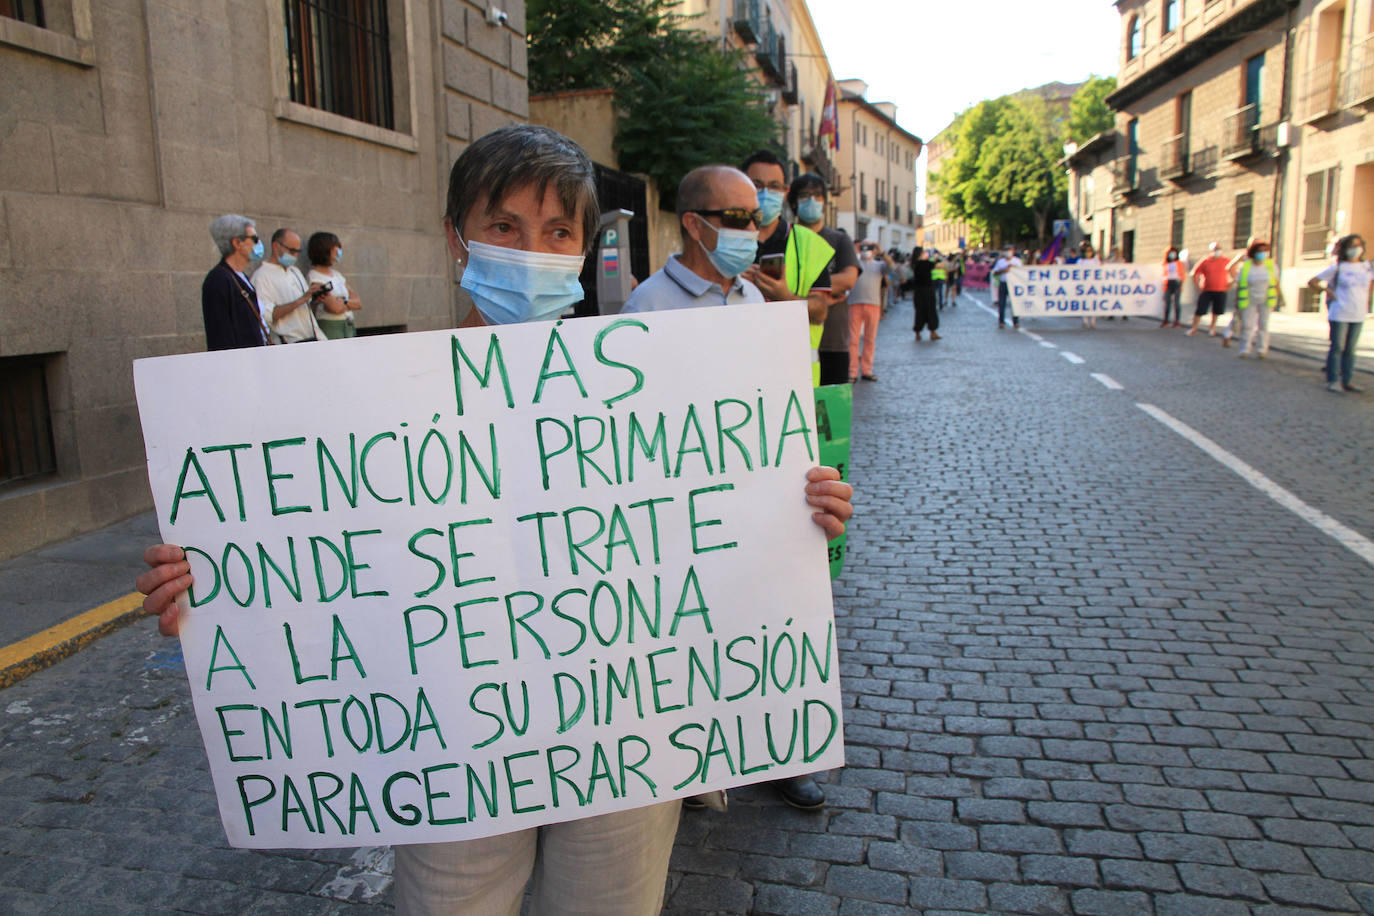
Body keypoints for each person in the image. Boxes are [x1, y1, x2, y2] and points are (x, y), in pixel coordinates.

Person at [136, 126, 855, 916]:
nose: (530, 250)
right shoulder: (356, 406)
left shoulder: (658, 390)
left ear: (583, 249)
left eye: (557, 231)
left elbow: (703, 529)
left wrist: (793, 511)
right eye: (503, 227)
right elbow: (316, 560)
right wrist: (220, 579)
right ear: (457, 238)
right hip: (454, 751)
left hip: (624, 742)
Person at [738, 153, 838, 386]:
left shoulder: (808, 243)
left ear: (785, 191)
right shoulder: (722, 239)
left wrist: (785, 297)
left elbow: (820, 310)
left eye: (774, 186)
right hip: (737, 373)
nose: (765, 193)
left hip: (792, 377)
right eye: (757, 185)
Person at [622, 165, 765, 313]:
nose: (753, 229)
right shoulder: (647, 305)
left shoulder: (753, 297)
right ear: (694, 224)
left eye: (757, 217)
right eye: (737, 217)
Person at [790, 174, 859, 385]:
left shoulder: (839, 240)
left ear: (825, 201)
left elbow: (849, 279)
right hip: (792, 340)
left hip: (832, 342)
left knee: (831, 416)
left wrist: (798, 288)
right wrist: (825, 292)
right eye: (804, 195)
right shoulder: (787, 238)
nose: (812, 200)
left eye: (817, 195)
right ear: (793, 202)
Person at [1309, 233, 1372, 392]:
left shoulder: (1367, 267)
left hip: (1358, 313)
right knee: (1337, 347)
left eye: (1358, 245)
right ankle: (1332, 380)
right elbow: (1313, 282)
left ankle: (1347, 380)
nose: (1355, 249)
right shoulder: (1338, 267)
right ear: (1345, 249)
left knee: (1350, 349)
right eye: (1352, 246)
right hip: (1339, 312)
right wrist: (1326, 290)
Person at [201, 214, 270, 350]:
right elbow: (220, 334)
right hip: (239, 364)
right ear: (237, 243)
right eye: (254, 239)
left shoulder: (240, 276)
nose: (259, 243)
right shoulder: (218, 280)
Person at [252, 228, 328, 343]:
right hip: (290, 343)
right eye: (292, 251)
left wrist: (314, 299)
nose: (295, 256)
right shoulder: (261, 276)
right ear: (276, 246)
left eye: (298, 252)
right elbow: (267, 316)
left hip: (313, 338)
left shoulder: (294, 271)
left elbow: (305, 309)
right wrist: (301, 300)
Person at [306, 231, 362, 339]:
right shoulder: (314, 277)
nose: (340, 250)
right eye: (337, 246)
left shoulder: (337, 275)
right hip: (331, 328)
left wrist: (344, 302)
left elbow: (358, 302)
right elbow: (334, 308)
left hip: (348, 326)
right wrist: (348, 304)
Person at [848, 242, 891, 381]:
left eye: (869, 248)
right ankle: (852, 371)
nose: (866, 251)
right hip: (854, 304)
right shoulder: (854, 264)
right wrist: (854, 250)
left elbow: (892, 266)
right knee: (853, 340)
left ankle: (866, 370)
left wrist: (881, 252)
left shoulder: (879, 265)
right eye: (863, 248)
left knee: (870, 339)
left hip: (873, 305)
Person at [1233, 239, 1278, 358]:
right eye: (1259, 251)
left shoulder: (1271, 265)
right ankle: (1245, 349)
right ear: (1253, 253)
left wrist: (1281, 297)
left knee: (1263, 325)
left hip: (1266, 299)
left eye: (1265, 251)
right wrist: (1237, 301)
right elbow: (1239, 284)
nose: (1262, 253)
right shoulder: (1246, 266)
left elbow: (1276, 282)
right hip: (1249, 299)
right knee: (1247, 325)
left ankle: (1262, 349)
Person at [1188, 242, 1231, 337]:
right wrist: (1197, 286)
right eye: (1215, 249)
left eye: (1218, 248)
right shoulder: (1205, 261)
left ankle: (1212, 328)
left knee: (1216, 311)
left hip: (1220, 290)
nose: (1217, 251)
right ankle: (1194, 328)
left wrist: (1229, 286)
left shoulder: (1226, 260)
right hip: (1206, 290)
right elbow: (1194, 273)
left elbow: (1233, 273)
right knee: (1200, 310)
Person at [910, 246, 940, 339]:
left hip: (918, 290)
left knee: (919, 311)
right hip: (927, 289)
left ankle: (918, 333)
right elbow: (936, 264)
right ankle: (932, 332)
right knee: (930, 310)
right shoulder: (925, 263)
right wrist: (935, 257)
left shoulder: (914, 264)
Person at [991, 245, 1021, 328]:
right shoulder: (1000, 262)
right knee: (1002, 303)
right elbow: (995, 273)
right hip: (1003, 283)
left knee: (1015, 303)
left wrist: (1013, 268)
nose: (1008, 252)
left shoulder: (1017, 261)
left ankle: (1016, 321)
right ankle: (1001, 321)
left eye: (1010, 250)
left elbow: (1022, 272)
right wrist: (1004, 270)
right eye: (1007, 250)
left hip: (1013, 284)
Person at [1161, 245, 1187, 328]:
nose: (1172, 254)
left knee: (1176, 303)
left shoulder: (1179, 263)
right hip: (1167, 283)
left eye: (1173, 253)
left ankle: (1177, 321)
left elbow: (1183, 274)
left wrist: (1181, 284)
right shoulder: (1165, 263)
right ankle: (1166, 320)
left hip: (1176, 283)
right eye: (1170, 253)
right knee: (1167, 302)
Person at [1077, 243, 1102, 329]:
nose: (1089, 252)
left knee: (1093, 303)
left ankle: (1093, 320)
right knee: (1084, 303)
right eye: (1087, 251)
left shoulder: (1096, 261)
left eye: (1090, 251)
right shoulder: (1081, 261)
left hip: (1094, 285)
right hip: (1084, 285)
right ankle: (1085, 320)